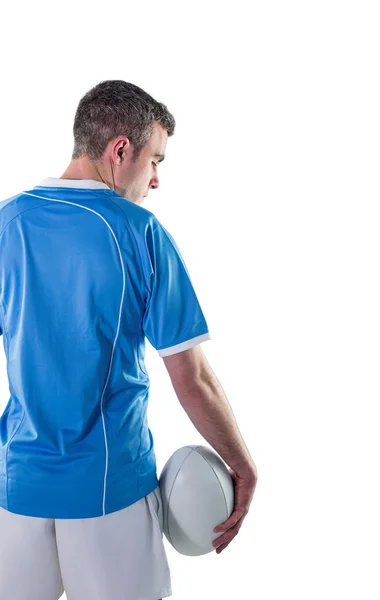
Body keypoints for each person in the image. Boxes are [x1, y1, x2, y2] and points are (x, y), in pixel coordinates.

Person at [0, 79, 258, 600]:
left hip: (16, 490)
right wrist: (241, 463)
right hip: (110, 492)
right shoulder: (139, 232)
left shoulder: (6, 223)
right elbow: (193, 378)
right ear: (121, 150)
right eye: (156, 160)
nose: (156, 179)